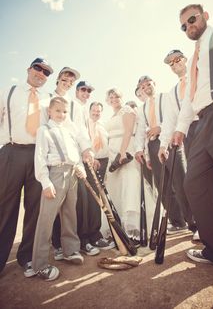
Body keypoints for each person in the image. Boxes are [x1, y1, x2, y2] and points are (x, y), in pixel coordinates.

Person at [172, 4, 213, 268]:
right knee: (194, 185)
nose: (189, 26)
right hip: (203, 124)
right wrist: (180, 128)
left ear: (205, 16)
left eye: (192, 20)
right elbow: (190, 98)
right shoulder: (195, 55)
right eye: (184, 25)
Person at [159, 49, 213, 241]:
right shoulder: (171, 93)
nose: (176, 64)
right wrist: (163, 144)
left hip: (212, 121)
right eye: (171, 63)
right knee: (204, 183)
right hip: (190, 134)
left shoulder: (201, 73)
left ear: (185, 59)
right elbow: (169, 120)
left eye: (178, 59)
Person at [0, 57, 53, 277]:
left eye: (46, 72)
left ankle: (27, 257)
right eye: (38, 68)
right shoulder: (8, 91)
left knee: (34, 208)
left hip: (37, 156)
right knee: (5, 207)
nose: (41, 73)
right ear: (29, 69)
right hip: (11, 152)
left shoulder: (49, 99)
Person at [32, 97, 88, 281]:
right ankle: (40, 264)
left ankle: (70, 250)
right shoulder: (44, 130)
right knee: (46, 218)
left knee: (70, 214)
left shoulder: (68, 131)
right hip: (55, 174)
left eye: (65, 112)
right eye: (58, 111)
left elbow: (75, 154)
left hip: (72, 174)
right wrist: (46, 182)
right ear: (49, 111)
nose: (62, 115)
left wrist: (79, 166)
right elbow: (40, 158)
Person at [135, 76, 190, 234]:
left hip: (170, 141)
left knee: (180, 181)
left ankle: (195, 222)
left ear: (154, 83)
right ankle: (178, 222)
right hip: (152, 145)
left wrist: (160, 127)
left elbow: (174, 116)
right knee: (162, 185)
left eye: (148, 84)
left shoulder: (166, 97)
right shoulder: (142, 108)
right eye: (142, 86)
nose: (146, 87)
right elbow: (140, 131)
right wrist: (140, 150)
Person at [75, 81, 114, 255]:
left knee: (95, 200)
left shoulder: (102, 125)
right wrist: (91, 157)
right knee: (85, 200)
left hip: (100, 163)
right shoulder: (79, 113)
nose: (96, 114)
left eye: (99, 111)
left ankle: (94, 235)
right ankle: (85, 238)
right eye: (94, 111)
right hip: (85, 161)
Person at [104, 88, 141, 244]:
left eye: (116, 96)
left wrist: (123, 152)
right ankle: (118, 228)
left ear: (121, 97)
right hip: (112, 153)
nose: (114, 99)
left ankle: (132, 230)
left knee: (129, 185)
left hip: (125, 151)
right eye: (111, 97)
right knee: (115, 188)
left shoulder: (127, 110)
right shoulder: (111, 116)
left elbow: (128, 132)